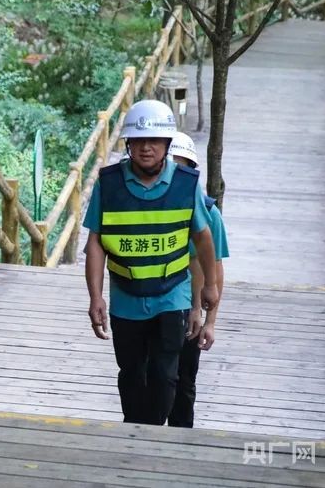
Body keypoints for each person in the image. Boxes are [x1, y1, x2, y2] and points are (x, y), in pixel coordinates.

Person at [83, 99, 220, 426]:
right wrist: (95, 297)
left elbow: (203, 238)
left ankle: (151, 433)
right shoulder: (109, 184)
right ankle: (135, 430)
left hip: (171, 295)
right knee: (131, 372)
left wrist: (210, 287)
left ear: (167, 144)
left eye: (154, 141)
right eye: (139, 140)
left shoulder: (185, 183)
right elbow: (96, 242)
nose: (146, 147)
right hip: (125, 297)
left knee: (164, 374)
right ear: (128, 144)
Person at [166, 131, 229, 428]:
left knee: (184, 381)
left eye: (182, 168)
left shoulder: (208, 212)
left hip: (189, 312)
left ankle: (180, 439)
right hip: (154, 305)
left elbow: (215, 269)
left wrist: (210, 322)